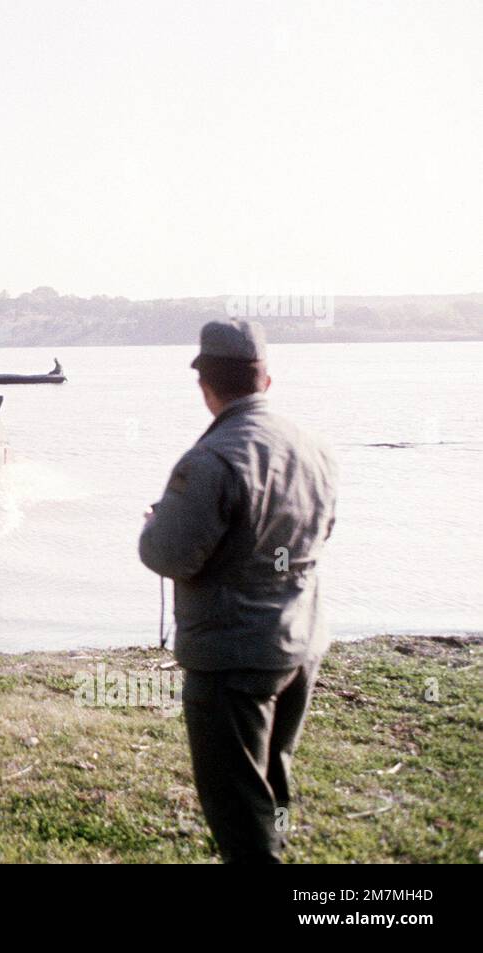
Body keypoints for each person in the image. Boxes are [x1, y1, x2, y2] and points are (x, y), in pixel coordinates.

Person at [138, 319, 339, 863]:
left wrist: (157, 523)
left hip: (233, 659)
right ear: (266, 381)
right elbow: (319, 531)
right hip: (300, 642)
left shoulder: (212, 459)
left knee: (236, 805)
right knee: (272, 780)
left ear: (205, 385)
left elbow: (168, 554)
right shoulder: (313, 446)